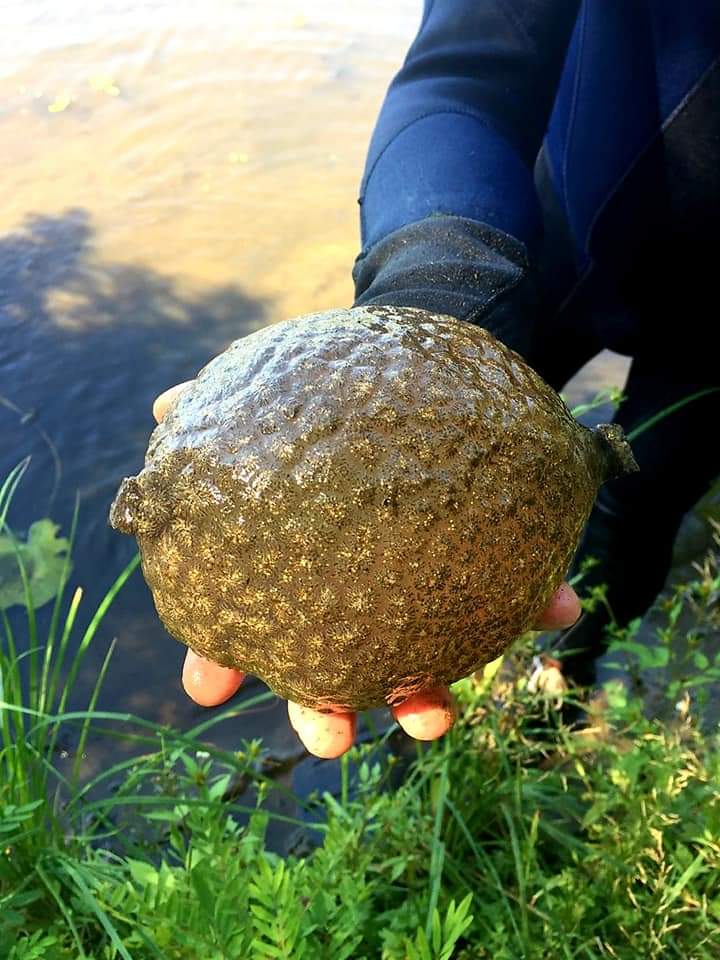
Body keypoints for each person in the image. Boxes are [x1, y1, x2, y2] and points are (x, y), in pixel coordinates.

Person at [156, 0, 720, 758]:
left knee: (640, 503)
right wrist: (436, 287)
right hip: (549, 238)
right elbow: (464, 68)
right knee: (544, 455)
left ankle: (564, 676)